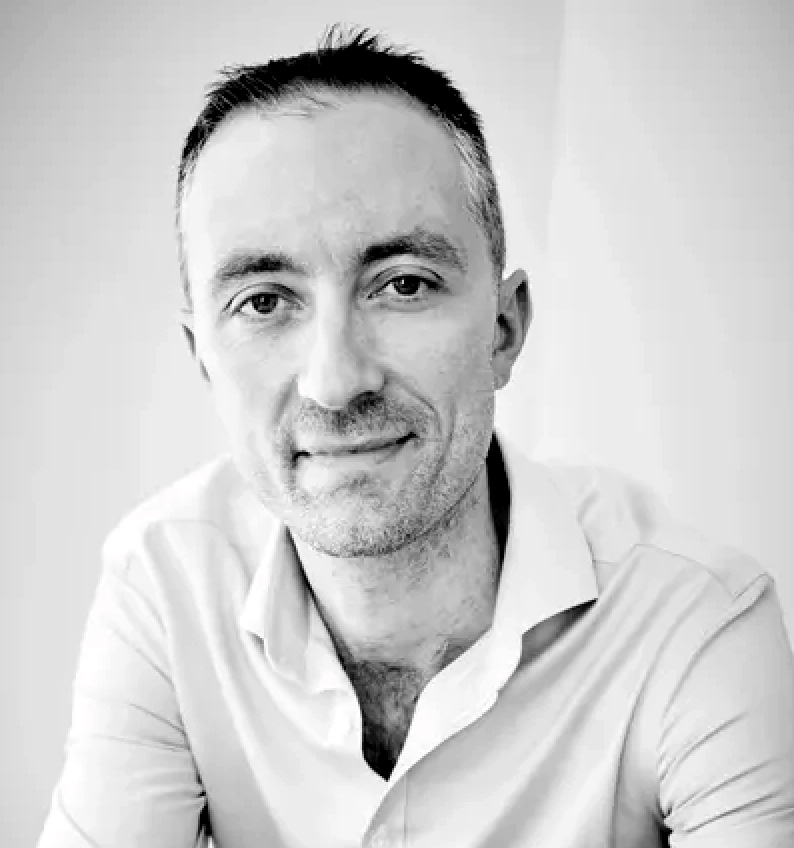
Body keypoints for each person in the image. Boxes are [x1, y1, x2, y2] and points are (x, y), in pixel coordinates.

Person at [38, 26, 794, 848]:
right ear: (204, 360)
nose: (336, 380)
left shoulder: (695, 623)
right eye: (263, 301)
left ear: (503, 329)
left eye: (402, 284)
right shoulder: (165, 583)